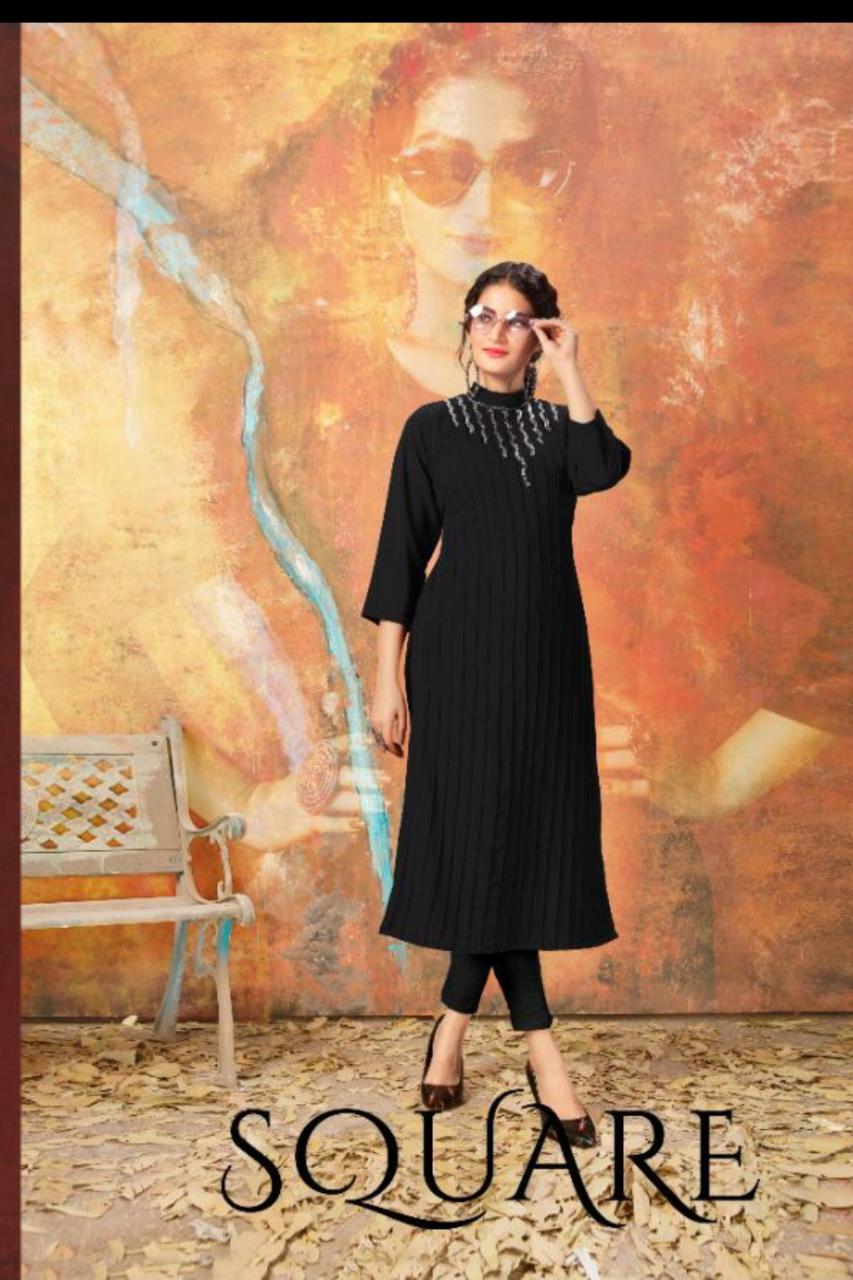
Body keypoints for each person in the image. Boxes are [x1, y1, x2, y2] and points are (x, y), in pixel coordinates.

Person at [362, 261, 631, 1146]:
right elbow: (399, 559)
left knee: (521, 842)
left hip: (547, 664)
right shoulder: (431, 428)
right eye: (482, 315)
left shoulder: (561, 428)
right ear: (466, 328)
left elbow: (600, 470)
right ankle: (545, 1058)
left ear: (539, 337)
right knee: (481, 839)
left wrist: (573, 366)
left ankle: (449, 1029)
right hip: (457, 662)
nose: (495, 331)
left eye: (517, 320)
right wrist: (385, 679)